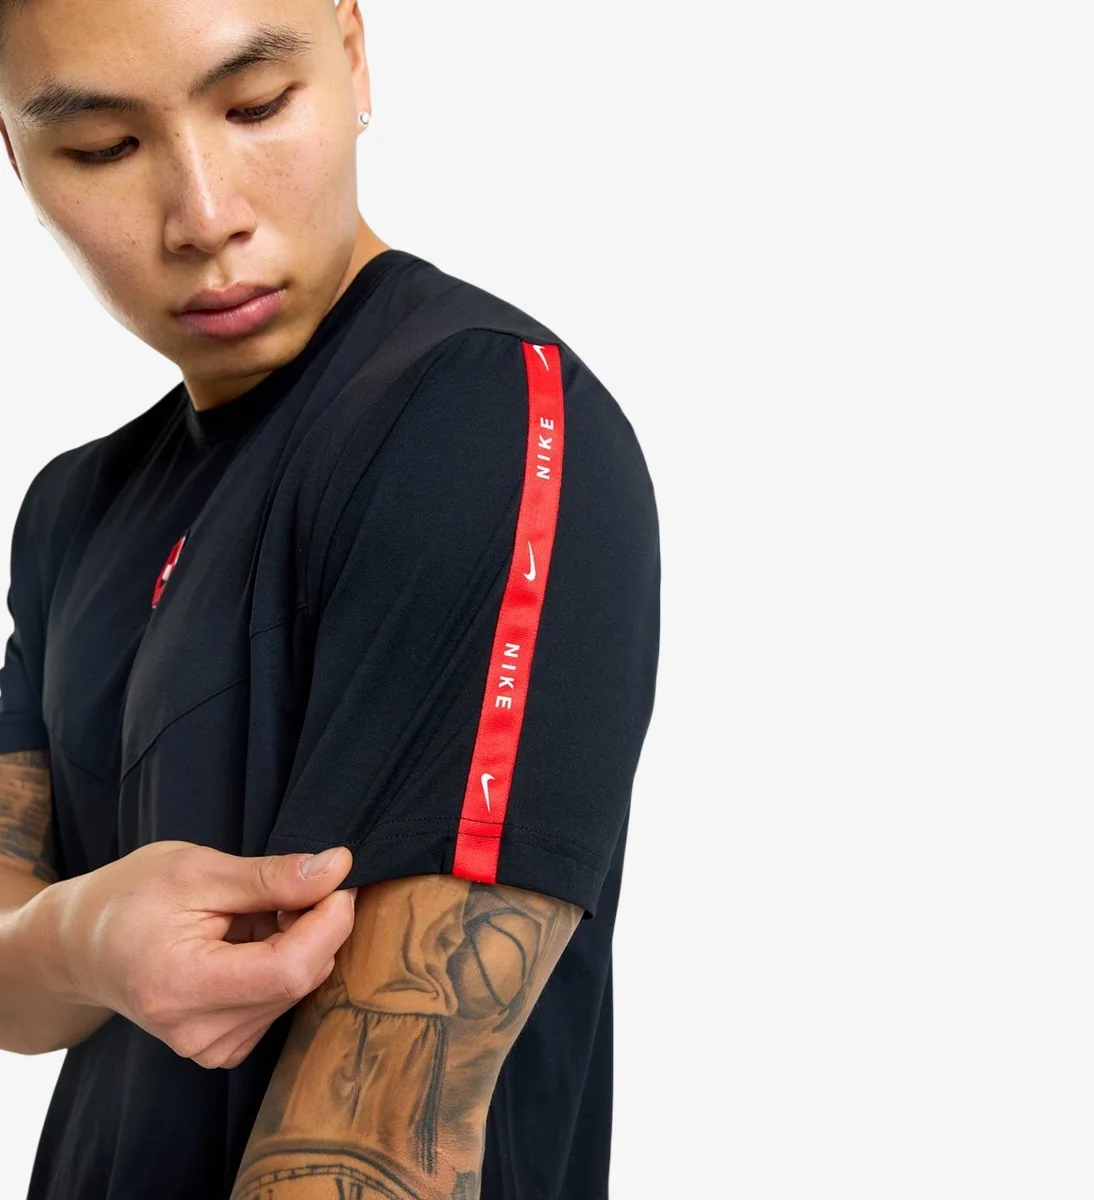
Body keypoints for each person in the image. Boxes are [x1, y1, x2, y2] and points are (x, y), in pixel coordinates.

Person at [0, 1, 660, 1197]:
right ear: (14, 153)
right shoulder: (71, 511)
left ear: (353, 55)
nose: (206, 215)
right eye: (104, 146)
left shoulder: (477, 417)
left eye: (256, 106)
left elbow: (380, 1142)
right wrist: (78, 938)